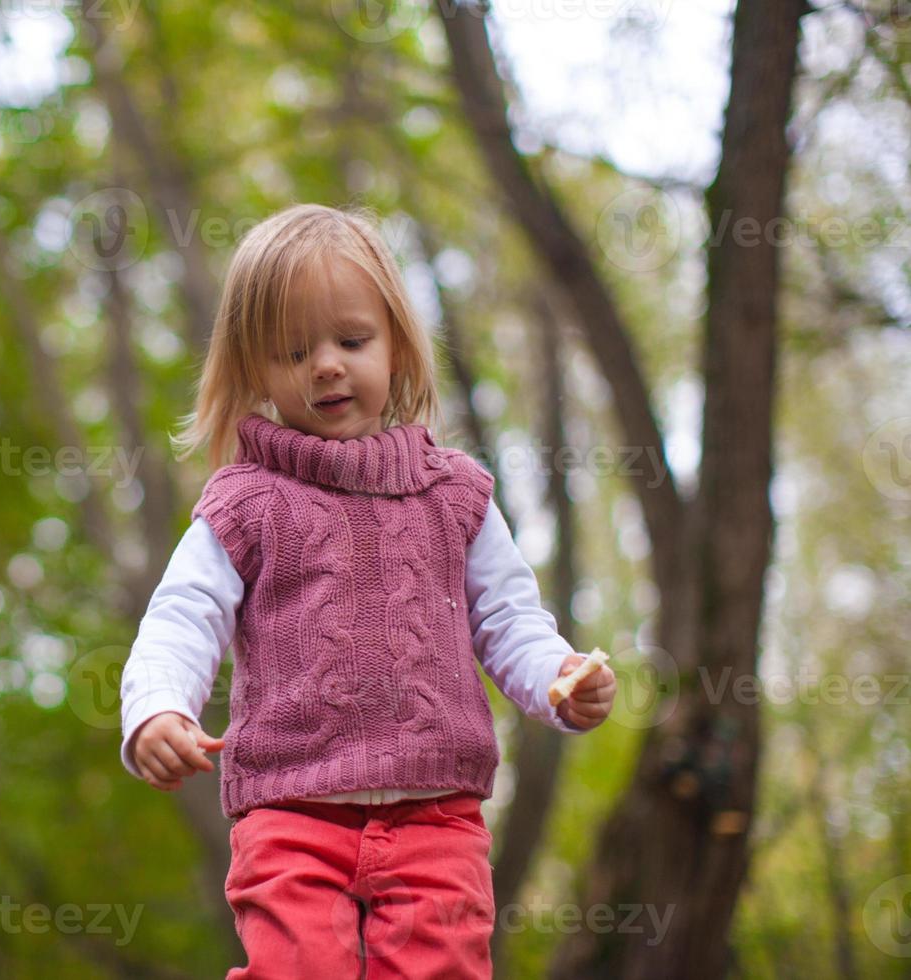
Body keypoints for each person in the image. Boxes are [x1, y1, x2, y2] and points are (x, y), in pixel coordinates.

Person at [117, 203, 617, 978]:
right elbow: (185, 613)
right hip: (290, 811)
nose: (325, 365)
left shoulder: (457, 494)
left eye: (351, 341)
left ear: (396, 344)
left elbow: (507, 617)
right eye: (292, 351)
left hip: (438, 816)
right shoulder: (245, 501)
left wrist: (556, 679)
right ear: (254, 370)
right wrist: (157, 704)